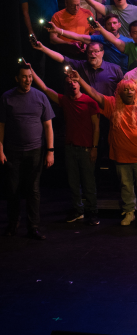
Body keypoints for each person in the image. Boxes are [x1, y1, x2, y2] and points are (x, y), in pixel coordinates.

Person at [71, 72, 137, 227]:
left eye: (131, 89)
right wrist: (79, 79)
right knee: (126, 185)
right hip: (121, 155)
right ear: (119, 91)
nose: (129, 92)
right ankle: (129, 212)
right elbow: (95, 94)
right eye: (125, 89)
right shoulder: (113, 104)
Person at [28, 68, 101, 227]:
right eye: (69, 83)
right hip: (70, 147)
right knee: (73, 182)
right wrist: (32, 71)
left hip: (86, 148)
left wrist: (94, 147)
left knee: (89, 182)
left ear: (79, 83)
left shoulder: (90, 102)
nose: (72, 85)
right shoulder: (65, 100)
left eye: (75, 82)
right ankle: (78, 211)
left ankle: (92, 212)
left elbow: (96, 127)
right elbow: (45, 89)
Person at [1, 64, 56, 239]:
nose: (28, 80)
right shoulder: (7, 97)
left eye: (30, 76)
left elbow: (48, 126)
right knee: (13, 189)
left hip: (35, 151)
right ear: (17, 78)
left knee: (33, 190)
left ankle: (33, 226)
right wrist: (0, 149)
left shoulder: (40, 97)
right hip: (12, 151)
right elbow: (1, 126)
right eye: (24, 77)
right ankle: (13, 224)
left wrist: (50, 151)